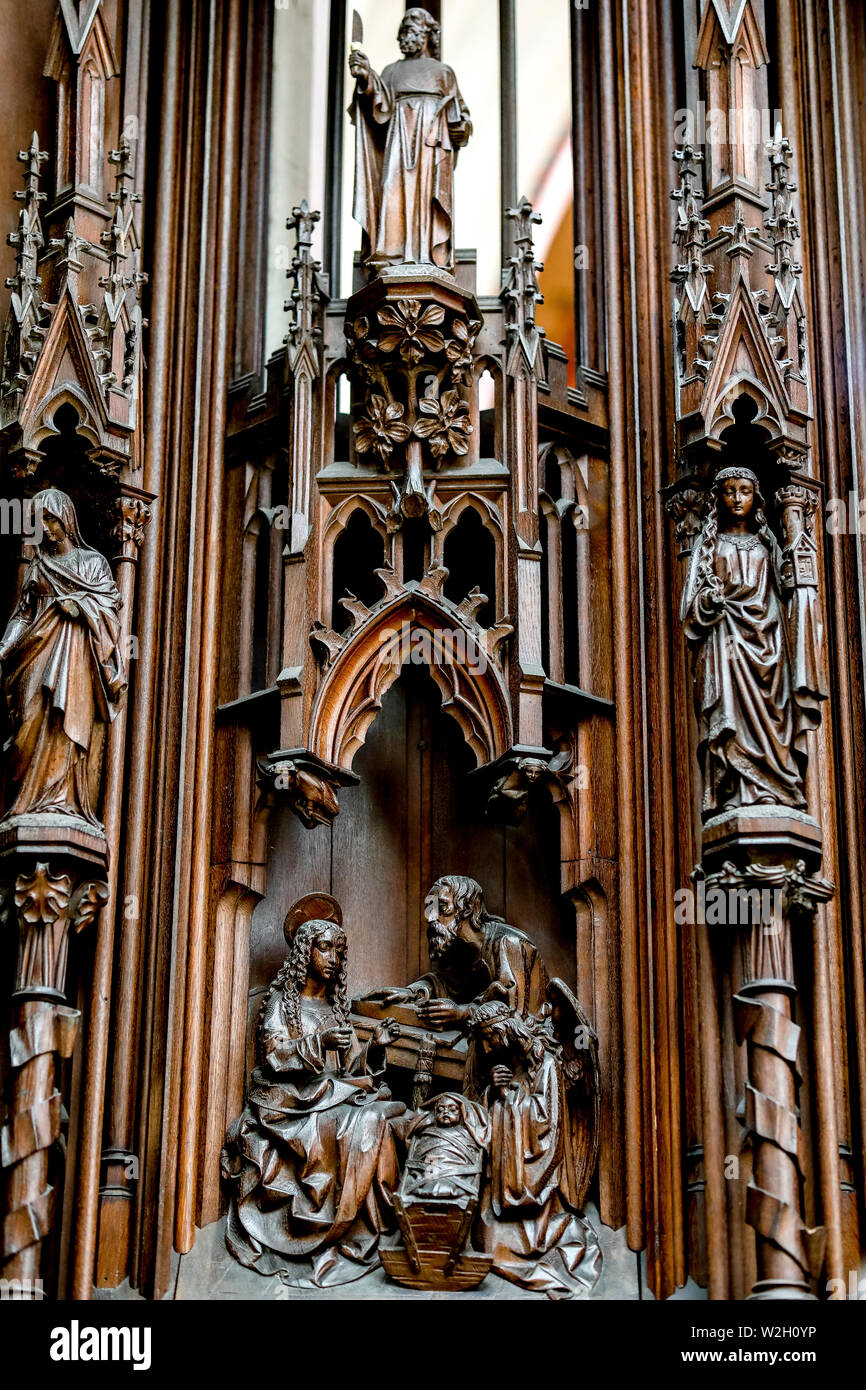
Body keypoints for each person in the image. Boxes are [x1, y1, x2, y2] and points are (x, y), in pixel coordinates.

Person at [221, 917, 405, 1288]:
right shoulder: (282, 1005)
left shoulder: (336, 1011)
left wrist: (374, 1048)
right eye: (324, 947)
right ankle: (337, 1224)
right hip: (290, 1105)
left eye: (339, 950)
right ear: (305, 952)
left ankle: (379, 1225)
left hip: (328, 1096)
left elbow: (349, 1070)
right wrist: (317, 1044)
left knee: (385, 1114)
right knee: (368, 1120)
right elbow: (273, 1055)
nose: (333, 958)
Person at [680, 466, 818, 818]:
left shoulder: (767, 543)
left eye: (744, 490)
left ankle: (775, 786)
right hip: (727, 643)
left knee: (775, 717)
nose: (737, 498)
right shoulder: (709, 547)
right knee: (731, 717)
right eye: (729, 491)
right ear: (718, 498)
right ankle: (737, 790)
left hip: (769, 646)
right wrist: (708, 603)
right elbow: (690, 607)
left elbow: (791, 596)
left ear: (756, 496)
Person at [0, 488, 125, 829]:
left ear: (67, 520)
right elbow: (23, 616)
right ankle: (28, 803)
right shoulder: (38, 567)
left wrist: (79, 606)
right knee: (28, 721)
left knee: (65, 725)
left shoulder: (92, 563)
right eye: (39, 521)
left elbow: (110, 610)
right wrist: (4, 647)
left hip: (75, 664)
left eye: (51, 519)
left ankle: (62, 802)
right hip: (35, 655)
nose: (45, 527)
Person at [469, 1000, 602, 1300]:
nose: (488, 1049)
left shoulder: (546, 1064)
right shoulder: (507, 1062)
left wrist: (507, 1099)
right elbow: (480, 1120)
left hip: (532, 1187)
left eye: (489, 1037)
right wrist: (493, 1092)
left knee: (495, 1246)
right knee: (485, 1240)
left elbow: (545, 1123)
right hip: (501, 1189)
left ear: (503, 1030)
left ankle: (544, 1239)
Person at [349, 7, 471, 272]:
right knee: (392, 190)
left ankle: (428, 254)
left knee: (427, 192)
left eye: (412, 31)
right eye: (402, 32)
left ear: (427, 35)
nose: (405, 37)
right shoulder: (391, 72)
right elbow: (378, 108)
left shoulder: (443, 73)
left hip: (430, 144)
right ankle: (393, 254)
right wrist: (366, 77)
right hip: (397, 143)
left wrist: (461, 127)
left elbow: (460, 114)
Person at [365, 875, 548, 1035]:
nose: (432, 919)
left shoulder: (511, 944)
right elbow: (446, 984)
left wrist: (461, 1013)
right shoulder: (457, 946)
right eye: (430, 909)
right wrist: (413, 992)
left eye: (442, 907)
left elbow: (515, 1014)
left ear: (467, 909)